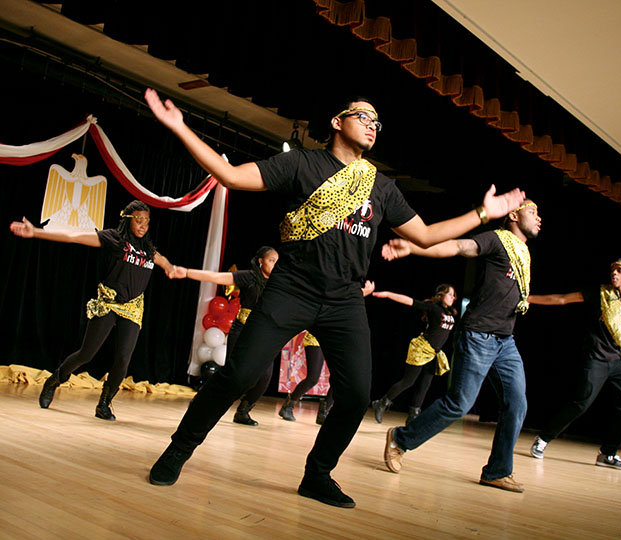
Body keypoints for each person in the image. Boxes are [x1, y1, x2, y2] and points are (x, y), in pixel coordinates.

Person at [143, 87, 525, 508]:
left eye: (378, 123)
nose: (373, 126)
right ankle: (178, 449)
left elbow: (426, 235)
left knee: (357, 395)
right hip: (292, 287)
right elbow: (232, 176)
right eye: (364, 116)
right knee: (235, 375)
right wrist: (179, 126)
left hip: (344, 299)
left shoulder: (381, 186)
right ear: (336, 122)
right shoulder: (302, 163)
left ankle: (318, 474)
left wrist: (483, 214)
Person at [382, 200, 541, 494]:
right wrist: (415, 248)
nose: (539, 218)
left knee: (517, 404)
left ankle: (497, 471)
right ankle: (399, 439)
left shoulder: (524, 253)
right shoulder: (496, 240)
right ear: (514, 215)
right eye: (533, 212)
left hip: (506, 341)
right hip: (478, 336)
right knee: (459, 404)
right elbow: (457, 246)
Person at [9, 200, 176, 420]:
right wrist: (36, 232)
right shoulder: (114, 239)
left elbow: (161, 260)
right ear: (127, 220)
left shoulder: (148, 249)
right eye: (138, 219)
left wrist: (171, 268)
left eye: (146, 220)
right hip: (108, 301)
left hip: (133, 307)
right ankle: (55, 379)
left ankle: (104, 404)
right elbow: (73, 237)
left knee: (123, 359)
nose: (143, 224)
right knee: (86, 354)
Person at [528, 258, 621, 471]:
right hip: (595, 358)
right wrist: (529, 298)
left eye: (619, 270)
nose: (614, 273)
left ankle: (608, 454)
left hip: (617, 362)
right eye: (612, 269)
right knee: (581, 402)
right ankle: (543, 438)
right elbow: (562, 300)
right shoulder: (600, 293)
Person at [174, 246, 279, 425]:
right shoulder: (249, 276)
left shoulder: (279, 283)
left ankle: (243, 410)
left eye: (277, 261)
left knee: (265, 375)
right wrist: (187, 272)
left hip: (263, 334)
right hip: (242, 330)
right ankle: (203, 400)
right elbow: (217, 277)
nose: (275, 264)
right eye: (271, 260)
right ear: (260, 261)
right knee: (232, 373)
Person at [280, 280, 375, 425]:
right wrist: (365, 292)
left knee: (339, 377)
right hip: (316, 336)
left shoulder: (348, 285)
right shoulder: (327, 286)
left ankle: (324, 411)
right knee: (313, 377)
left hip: (336, 336)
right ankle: (289, 405)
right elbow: (339, 298)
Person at [371, 283, 457, 425]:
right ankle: (381, 403)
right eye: (450, 294)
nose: (452, 298)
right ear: (441, 294)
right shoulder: (433, 308)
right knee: (408, 381)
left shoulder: (450, 313)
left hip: (434, 353)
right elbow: (409, 301)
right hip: (421, 348)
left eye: (454, 296)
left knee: (424, 385)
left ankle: (413, 418)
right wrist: (387, 294)